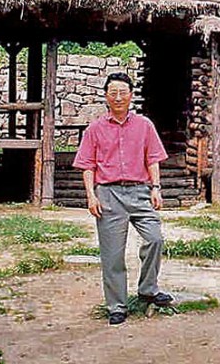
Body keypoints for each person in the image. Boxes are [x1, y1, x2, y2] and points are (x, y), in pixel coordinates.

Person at [74, 72, 173, 325]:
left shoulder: (144, 125)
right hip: (108, 194)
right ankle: (117, 305)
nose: (118, 97)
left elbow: (153, 158)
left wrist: (156, 188)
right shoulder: (94, 129)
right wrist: (91, 196)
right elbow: (87, 166)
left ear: (131, 95)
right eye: (113, 93)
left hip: (140, 191)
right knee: (112, 255)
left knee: (155, 239)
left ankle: (148, 289)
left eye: (123, 92)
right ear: (106, 96)